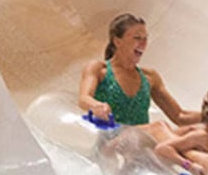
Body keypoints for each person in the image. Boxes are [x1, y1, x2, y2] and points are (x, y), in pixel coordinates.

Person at [79, 13, 200, 142]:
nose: (143, 43)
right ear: (117, 41)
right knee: (159, 127)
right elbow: (84, 98)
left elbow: (179, 116)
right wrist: (96, 105)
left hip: (139, 149)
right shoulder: (99, 69)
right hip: (112, 146)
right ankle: (193, 162)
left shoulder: (150, 77)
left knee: (193, 132)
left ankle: (202, 162)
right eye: (137, 38)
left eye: (145, 38)